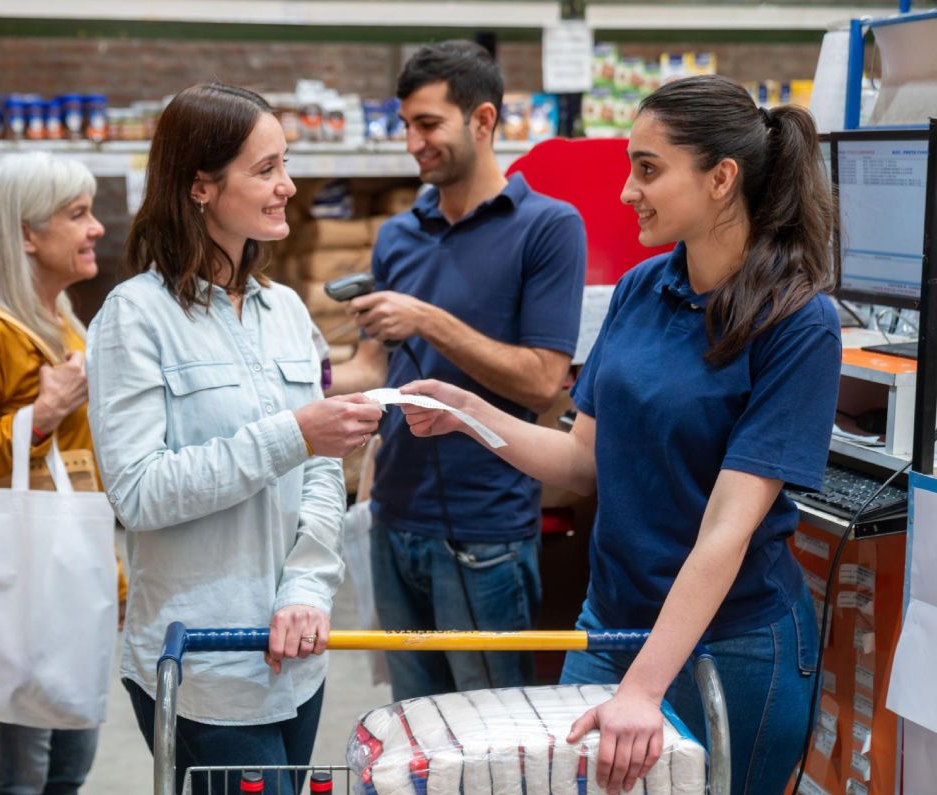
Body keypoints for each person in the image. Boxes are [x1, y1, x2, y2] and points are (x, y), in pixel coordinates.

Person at [399, 74, 840, 795]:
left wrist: (643, 688)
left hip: (731, 646)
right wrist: (467, 414)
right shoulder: (642, 288)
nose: (627, 191)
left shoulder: (797, 323)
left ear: (721, 179)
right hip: (610, 624)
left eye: (648, 169)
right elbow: (582, 458)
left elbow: (726, 531)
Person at [85, 83, 382, 795]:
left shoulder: (287, 313)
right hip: (204, 661)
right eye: (266, 169)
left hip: (296, 651)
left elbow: (322, 470)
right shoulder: (135, 318)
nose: (288, 186)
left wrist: (306, 588)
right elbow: (139, 493)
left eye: (285, 164)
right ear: (200, 187)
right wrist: (292, 433)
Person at [329, 40, 587, 700]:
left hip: (486, 531)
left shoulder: (548, 228)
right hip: (393, 521)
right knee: (413, 723)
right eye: (405, 125)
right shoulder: (398, 235)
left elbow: (542, 380)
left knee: (488, 730)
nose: (412, 143)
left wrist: (427, 318)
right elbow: (371, 366)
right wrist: (298, 373)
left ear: (483, 120)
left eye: (428, 124)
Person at [0, 151, 116, 795]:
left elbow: (83, 463)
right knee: (17, 776)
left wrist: (111, 573)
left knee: (68, 768)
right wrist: (42, 415)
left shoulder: (62, 321)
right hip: (14, 575)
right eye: (77, 214)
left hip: (65, 567)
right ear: (26, 235)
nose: (96, 228)